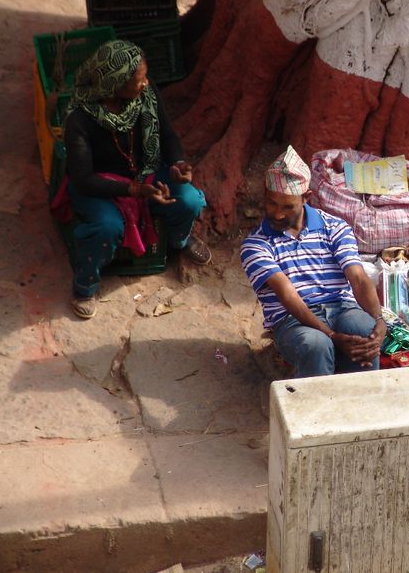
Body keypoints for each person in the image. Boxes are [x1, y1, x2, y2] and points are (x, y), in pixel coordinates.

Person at [62, 40, 211, 319]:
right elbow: (83, 179)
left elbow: (167, 134)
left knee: (188, 199)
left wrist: (178, 164)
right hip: (100, 186)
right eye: (138, 80)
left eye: (145, 77)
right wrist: (134, 190)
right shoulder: (79, 121)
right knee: (106, 227)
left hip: (145, 174)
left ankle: (178, 242)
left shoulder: (146, 96)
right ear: (114, 84)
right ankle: (85, 284)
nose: (145, 84)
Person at [240, 146, 385, 377]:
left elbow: (357, 277)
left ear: (306, 198)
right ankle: (318, 411)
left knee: (364, 331)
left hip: (342, 307)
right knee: (316, 345)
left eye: (288, 207)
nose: (277, 214)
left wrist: (379, 320)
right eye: (272, 203)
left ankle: (361, 404)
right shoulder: (255, 245)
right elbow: (288, 295)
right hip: (291, 319)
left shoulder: (334, 227)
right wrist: (331, 335)